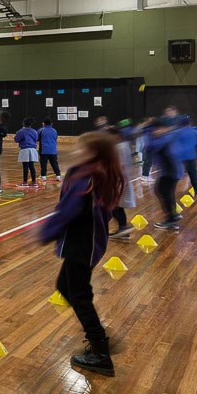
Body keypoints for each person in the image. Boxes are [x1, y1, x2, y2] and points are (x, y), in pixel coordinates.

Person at [39, 131, 125, 377]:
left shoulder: (87, 178)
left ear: (94, 154)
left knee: (78, 293)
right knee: (65, 287)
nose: (77, 152)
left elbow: (68, 211)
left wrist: (45, 232)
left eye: (82, 149)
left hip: (82, 245)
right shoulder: (99, 174)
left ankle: (100, 352)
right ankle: (99, 336)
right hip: (88, 243)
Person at [151, 119, 184, 231]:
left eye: (157, 129)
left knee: (162, 191)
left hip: (171, 172)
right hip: (171, 171)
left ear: (164, 128)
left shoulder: (166, 138)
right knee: (165, 192)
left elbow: (151, 146)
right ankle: (173, 216)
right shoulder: (168, 137)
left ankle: (171, 220)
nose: (155, 131)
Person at [106, 126, 136, 239]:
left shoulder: (119, 147)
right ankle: (123, 229)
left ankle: (123, 228)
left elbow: (121, 165)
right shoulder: (124, 145)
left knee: (113, 205)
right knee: (117, 206)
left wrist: (116, 182)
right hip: (123, 180)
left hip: (120, 180)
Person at [175, 115, 197, 196]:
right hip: (191, 157)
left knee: (175, 173)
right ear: (190, 123)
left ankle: (171, 191)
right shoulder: (195, 132)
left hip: (179, 157)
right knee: (193, 173)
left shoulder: (177, 133)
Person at [14, 117, 41, 188]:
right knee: (32, 166)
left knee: (25, 166)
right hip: (33, 149)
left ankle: (25, 182)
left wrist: (18, 133)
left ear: (23, 123)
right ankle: (34, 182)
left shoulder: (21, 131)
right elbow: (36, 139)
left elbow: (16, 140)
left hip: (25, 149)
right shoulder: (34, 131)